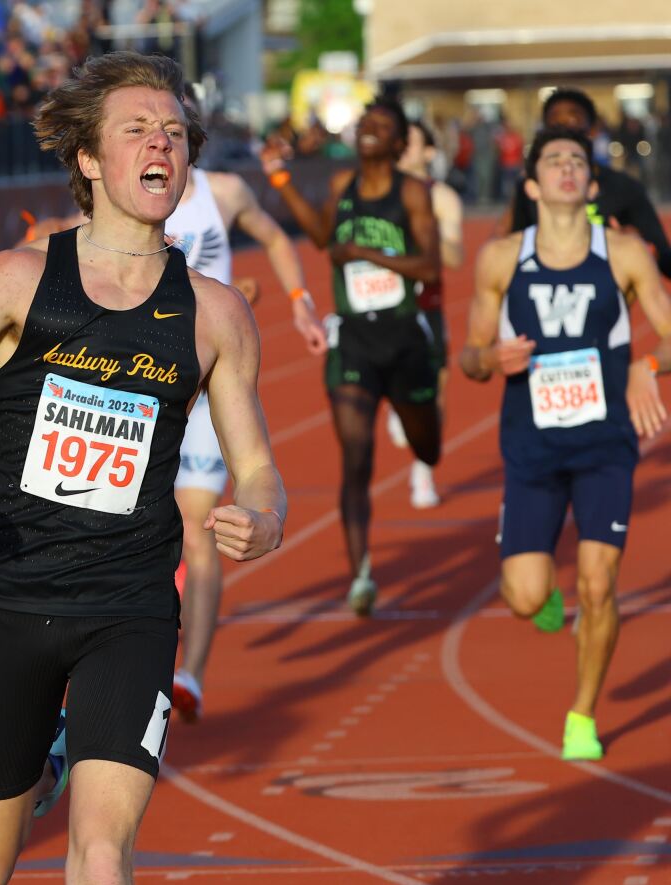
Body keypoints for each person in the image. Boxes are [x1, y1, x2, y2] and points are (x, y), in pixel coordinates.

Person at [0, 51, 286, 885]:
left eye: (173, 131)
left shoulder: (215, 313)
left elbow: (260, 464)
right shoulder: (17, 281)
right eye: (137, 129)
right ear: (89, 161)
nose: (161, 142)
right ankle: (43, 757)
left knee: (99, 852)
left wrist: (264, 516)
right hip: (9, 598)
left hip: (130, 605)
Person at [461, 127, 671, 760]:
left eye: (578, 160)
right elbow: (469, 357)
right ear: (531, 184)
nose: (567, 168)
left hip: (606, 442)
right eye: (554, 160)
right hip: (532, 447)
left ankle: (582, 713)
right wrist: (492, 357)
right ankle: (544, 595)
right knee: (523, 597)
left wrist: (649, 366)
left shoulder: (625, 252)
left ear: (592, 183)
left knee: (600, 583)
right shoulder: (501, 257)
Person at [265, 97, 442, 615]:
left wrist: (365, 254)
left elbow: (430, 268)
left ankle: (416, 436)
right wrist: (281, 181)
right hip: (354, 344)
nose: (369, 130)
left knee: (427, 449)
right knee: (356, 457)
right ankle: (360, 575)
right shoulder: (343, 187)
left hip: (405, 338)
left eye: (382, 126)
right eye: (365, 122)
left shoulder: (412, 193)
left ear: (399, 142)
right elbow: (321, 237)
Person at [164, 160, 325, 724]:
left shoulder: (224, 191)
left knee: (197, 525)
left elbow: (276, 237)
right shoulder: (120, 190)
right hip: (142, 383)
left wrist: (299, 298)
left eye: (175, 126)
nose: (160, 140)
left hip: (210, 384)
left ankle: (191, 672)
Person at [497, 88, 671, 281]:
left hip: (604, 299)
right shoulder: (530, 187)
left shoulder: (624, 187)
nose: (564, 128)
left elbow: (664, 258)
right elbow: (507, 249)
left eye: (573, 119)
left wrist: (642, 249)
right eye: (556, 123)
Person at [385, 120, 465, 509]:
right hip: (384, 307)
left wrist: (426, 223)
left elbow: (455, 256)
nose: (402, 149)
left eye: (411, 143)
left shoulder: (444, 197)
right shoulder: (378, 191)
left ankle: (423, 470)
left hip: (427, 306)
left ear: (429, 152)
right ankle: (398, 406)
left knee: (438, 389)